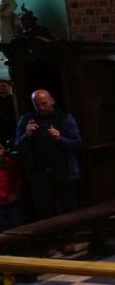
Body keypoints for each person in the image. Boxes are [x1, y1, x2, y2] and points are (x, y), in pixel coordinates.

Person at [14, 89, 83, 221]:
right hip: (39, 174)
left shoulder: (64, 117)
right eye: (37, 105)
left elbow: (77, 144)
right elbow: (17, 146)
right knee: (45, 211)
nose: (41, 108)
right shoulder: (26, 120)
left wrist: (60, 139)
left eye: (44, 103)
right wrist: (26, 136)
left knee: (70, 208)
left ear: (52, 101)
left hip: (64, 171)